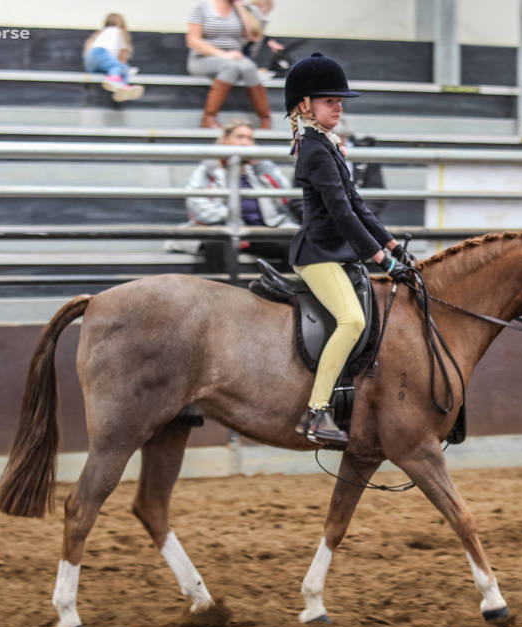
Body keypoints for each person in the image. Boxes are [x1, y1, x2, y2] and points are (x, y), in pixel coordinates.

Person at [284, 53, 413, 445]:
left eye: (340, 101)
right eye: (329, 101)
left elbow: (358, 204)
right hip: (316, 254)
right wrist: (379, 258)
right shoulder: (314, 149)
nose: (338, 107)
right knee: (352, 321)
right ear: (305, 106)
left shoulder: (328, 144)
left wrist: (391, 244)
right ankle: (316, 412)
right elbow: (341, 213)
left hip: (336, 250)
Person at [169, 118, 301, 257]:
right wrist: (234, 223)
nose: (245, 143)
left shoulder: (260, 168)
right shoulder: (209, 168)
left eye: (249, 139)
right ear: (225, 140)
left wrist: (261, 166)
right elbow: (197, 206)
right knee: (218, 244)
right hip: (221, 228)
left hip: (261, 230)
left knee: (294, 245)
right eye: (239, 137)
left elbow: (284, 198)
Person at [186, 0, 272, 129]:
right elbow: (192, 41)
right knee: (230, 67)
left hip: (234, 58)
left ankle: (265, 119)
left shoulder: (240, 8)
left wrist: (240, 8)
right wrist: (223, 55)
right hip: (203, 58)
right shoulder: (202, 7)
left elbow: (253, 35)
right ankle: (208, 118)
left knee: (249, 67)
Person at [83, 13, 145, 103]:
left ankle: (121, 90)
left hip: (89, 63)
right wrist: (124, 68)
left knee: (117, 68)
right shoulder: (120, 32)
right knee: (120, 67)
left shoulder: (100, 33)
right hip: (101, 53)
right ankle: (116, 81)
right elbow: (123, 55)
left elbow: (87, 49)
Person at [335, 116, 387, 217]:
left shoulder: (366, 154)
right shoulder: (313, 153)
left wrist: (359, 215)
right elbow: (303, 196)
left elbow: (377, 194)